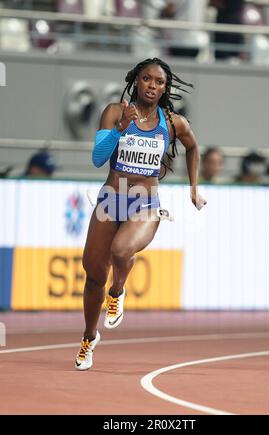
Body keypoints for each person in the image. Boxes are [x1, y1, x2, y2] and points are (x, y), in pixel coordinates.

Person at [75, 57, 207, 371]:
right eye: (147, 79)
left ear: (165, 88)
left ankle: (117, 292)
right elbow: (97, 159)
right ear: (137, 80)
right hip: (111, 199)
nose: (152, 86)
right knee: (93, 275)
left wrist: (193, 187)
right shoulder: (115, 112)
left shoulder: (173, 122)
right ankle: (88, 338)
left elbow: (192, 147)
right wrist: (120, 129)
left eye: (159, 82)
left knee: (122, 251)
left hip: (145, 202)